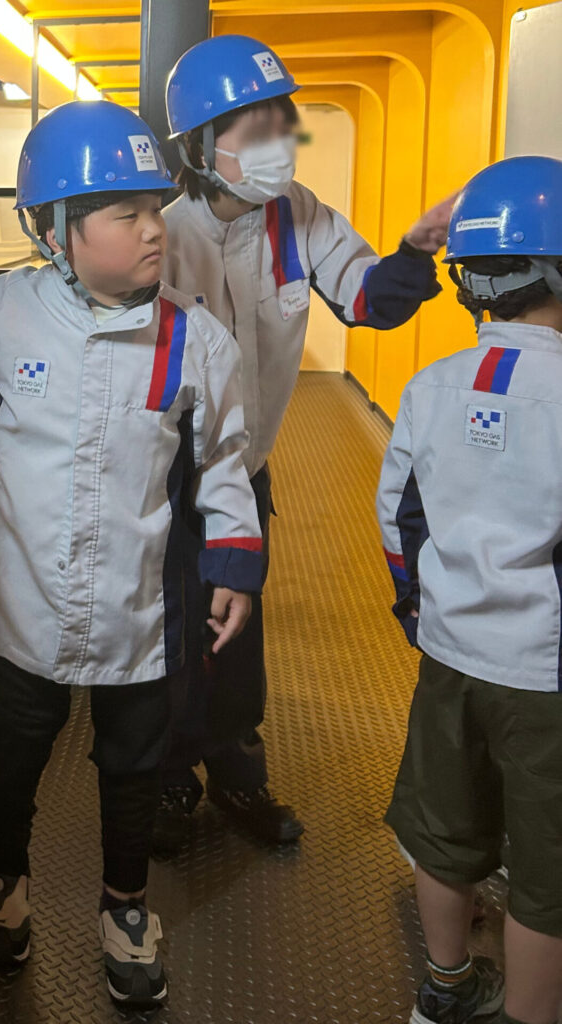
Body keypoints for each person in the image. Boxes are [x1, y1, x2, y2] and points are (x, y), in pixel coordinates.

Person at [0, 100, 263, 1010]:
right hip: (27, 604)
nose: (153, 229)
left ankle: (125, 909)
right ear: (55, 232)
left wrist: (235, 563)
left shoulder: (193, 339)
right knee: (14, 758)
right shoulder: (5, 311)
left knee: (133, 770)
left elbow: (225, 462)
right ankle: (2, 887)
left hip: (139, 610)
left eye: (155, 209)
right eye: (127, 213)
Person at [154, 33, 452, 854]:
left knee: (237, 635)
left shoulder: (298, 214)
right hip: (164, 482)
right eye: (254, 131)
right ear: (200, 148)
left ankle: (236, 774)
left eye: (283, 126)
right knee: (171, 632)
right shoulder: (161, 237)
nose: (278, 145)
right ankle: (168, 780)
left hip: (245, 471)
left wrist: (414, 252)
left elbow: (368, 301)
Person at [377, 154, 562, 1024]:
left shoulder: (430, 386)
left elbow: (398, 519)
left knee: (444, 835)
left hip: (450, 655)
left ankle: (445, 991)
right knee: (548, 872)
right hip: (545, 676)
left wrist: (425, 613)